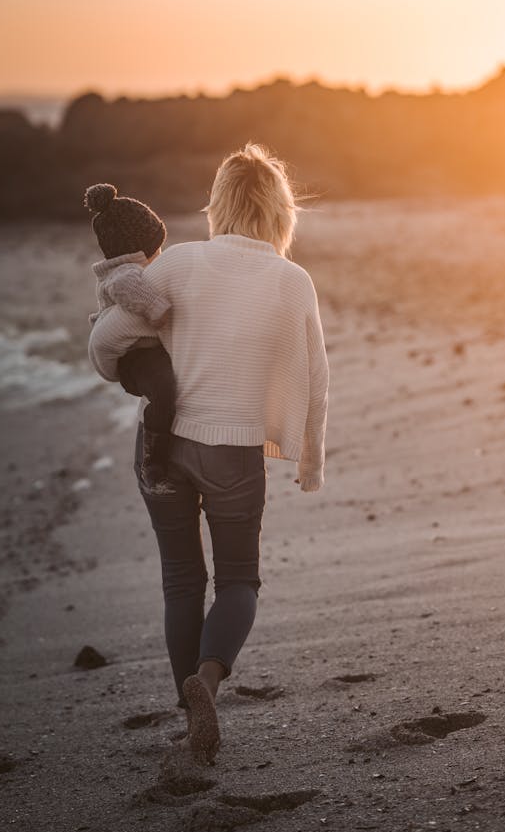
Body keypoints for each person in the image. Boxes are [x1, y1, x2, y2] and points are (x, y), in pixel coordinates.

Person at [88, 144, 329, 762]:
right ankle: (209, 687)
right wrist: (309, 462)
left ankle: (186, 711)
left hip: (163, 446)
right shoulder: (291, 280)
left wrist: (132, 370)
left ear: (216, 206)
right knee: (239, 581)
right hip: (234, 454)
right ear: (281, 213)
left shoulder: (177, 265)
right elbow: (316, 376)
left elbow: (106, 339)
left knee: (180, 583)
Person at [84, 182, 176, 496]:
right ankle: (154, 459)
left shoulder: (131, 267)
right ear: (138, 247)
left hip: (146, 353)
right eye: (157, 248)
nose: (160, 254)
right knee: (165, 391)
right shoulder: (123, 273)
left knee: (170, 387)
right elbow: (130, 287)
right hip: (135, 358)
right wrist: (158, 309)